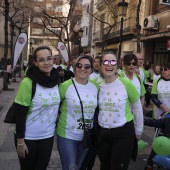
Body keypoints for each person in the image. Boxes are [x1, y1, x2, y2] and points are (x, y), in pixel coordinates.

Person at [13, 46, 60, 170]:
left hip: (47, 136)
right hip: (28, 137)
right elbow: (20, 114)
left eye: (49, 59)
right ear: (35, 62)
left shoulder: (56, 80)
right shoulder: (28, 82)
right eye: (41, 60)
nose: (46, 63)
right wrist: (20, 142)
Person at [97, 51, 143, 170]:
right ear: (100, 65)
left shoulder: (125, 83)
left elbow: (137, 106)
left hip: (123, 133)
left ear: (117, 65)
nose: (109, 65)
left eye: (112, 62)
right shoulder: (97, 84)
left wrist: (139, 130)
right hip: (103, 133)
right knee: (105, 166)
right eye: (105, 62)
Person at [56, 55, 99, 170]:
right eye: (79, 65)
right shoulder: (65, 86)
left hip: (86, 136)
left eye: (87, 66)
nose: (82, 68)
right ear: (75, 68)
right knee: (70, 167)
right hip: (67, 135)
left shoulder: (96, 87)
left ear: (91, 70)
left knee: (79, 167)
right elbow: (53, 105)